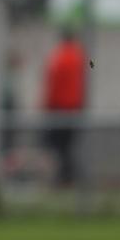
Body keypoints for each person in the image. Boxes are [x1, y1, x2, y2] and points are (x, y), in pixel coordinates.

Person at [42, 28, 86, 186]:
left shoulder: (59, 57)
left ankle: (66, 177)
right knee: (68, 146)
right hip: (75, 107)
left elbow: (53, 83)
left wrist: (46, 105)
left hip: (59, 107)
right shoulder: (78, 56)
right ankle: (68, 176)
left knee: (60, 147)